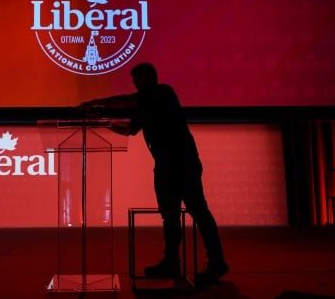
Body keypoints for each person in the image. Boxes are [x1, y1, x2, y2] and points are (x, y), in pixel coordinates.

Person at [80, 62, 228, 284]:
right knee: (170, 215)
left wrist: (95, 104)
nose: (135, 84)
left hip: (182, 163)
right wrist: (100, 121)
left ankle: (216, 262)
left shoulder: (162, 92)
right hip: (166, 166)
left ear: (148, 77)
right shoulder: (146, 105)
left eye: (137, 79)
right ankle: (171, 262)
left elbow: (127, 102)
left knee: (198, 211)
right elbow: (129, 129)